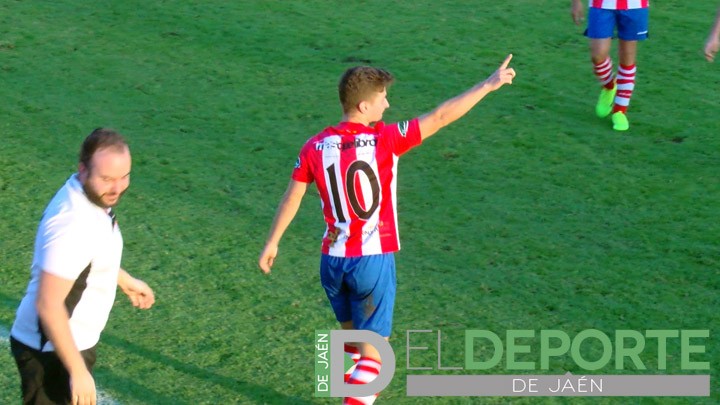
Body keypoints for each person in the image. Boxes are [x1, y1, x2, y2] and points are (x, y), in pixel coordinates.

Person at [258, 56, 515, 404]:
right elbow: (440, 116)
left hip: (331, 262)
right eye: (382, 97)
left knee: (350, 342)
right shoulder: (385, 139)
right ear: (364, 105)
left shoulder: (314, 146)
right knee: (377, 360)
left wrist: (273, 242)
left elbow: (293, 196)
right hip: (371, 261)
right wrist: (487, 85)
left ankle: (346, 390)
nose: (388, 103)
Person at [9, 128, 155, 405]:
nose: (117, 187)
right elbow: (48, 305)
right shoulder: (72, 223)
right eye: (107, 178)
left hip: (70, 341)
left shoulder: (89, 197)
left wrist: (121, 278)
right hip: (51, 350)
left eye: (124, 176)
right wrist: (76, 370)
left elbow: (85, 257)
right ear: (83, 170)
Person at [571, 0, 649, 131]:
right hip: (601, 5)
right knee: (597, 56)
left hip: (634, 6)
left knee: (627, 58)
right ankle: (609, 86)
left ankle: (620, 111)